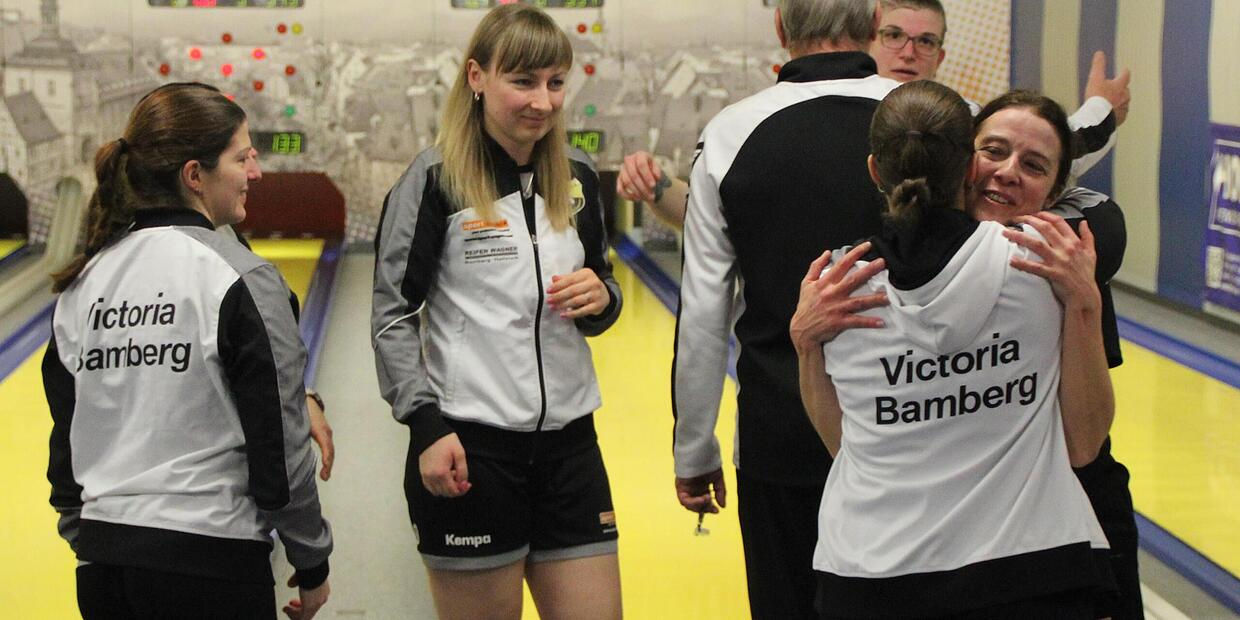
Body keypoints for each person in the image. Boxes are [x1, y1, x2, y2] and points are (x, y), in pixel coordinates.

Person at [795, 80, 1114, 618]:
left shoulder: (838, 284)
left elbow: (842, 447)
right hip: (1031, 566)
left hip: (871, 574)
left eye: (1034, 166)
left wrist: (806, 346)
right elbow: (1084, 445)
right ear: (967, 165)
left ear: (876, 170)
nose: (1007, 172)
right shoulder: (1050, 267)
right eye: (994, 151)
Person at [43, 82, 333, 620]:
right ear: (194, 175)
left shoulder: (84, 283)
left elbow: (67, 440)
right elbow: (281, 450)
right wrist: (311, 558)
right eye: (242, 158)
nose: (256, 172)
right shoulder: (239, 277)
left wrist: (90, 538)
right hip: (211, 565)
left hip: (104, 572)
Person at [370, 5, 622, 620]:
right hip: (471, 449)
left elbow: (603, 282)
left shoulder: (577, 176)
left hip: (571, 448)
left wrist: (602, 298)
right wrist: (426, 426)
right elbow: (393, 314)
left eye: (555, 83)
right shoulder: (435, 180)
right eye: (524, 81)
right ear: (477, 77)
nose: (543, 101)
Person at [671, 1, 901, 617]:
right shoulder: (929, 117)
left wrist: (694, 450)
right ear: (874, 23)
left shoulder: (729, 133)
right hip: (918, 433)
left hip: (782, 433)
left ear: (780, 29)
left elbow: (703, 312)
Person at [616, 0, 1132, 224]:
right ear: (869, 33)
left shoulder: (965, 124)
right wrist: (659, 188)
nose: (909, 52)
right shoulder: (777, 123)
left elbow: (1054, 149)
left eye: (925, 42)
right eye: (895, 36)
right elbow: (719, 218)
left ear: (940, 55)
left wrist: (1102, 107)